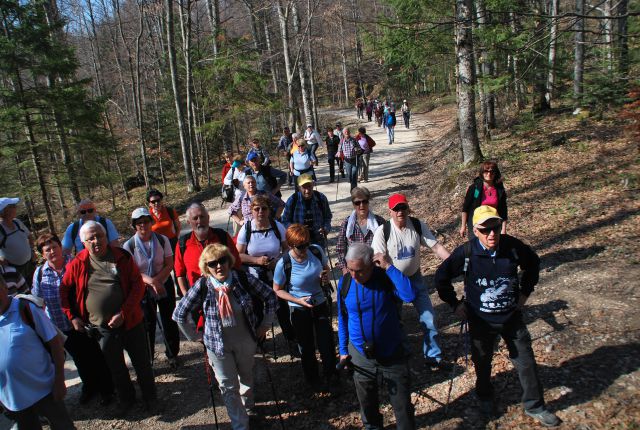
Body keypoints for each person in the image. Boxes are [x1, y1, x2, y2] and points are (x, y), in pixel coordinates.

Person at [435, 206, 561, 427]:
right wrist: (455, 304)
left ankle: (535, 406)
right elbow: (441, 277)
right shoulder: (466, 252)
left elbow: (533, 264)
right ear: (475, 230)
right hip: (480, 320)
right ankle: (485, 397)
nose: (492, 234)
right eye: (485, 229)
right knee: (482, 362)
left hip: (511, 318)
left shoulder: (512, 247)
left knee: (526, 362)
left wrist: (524, 293)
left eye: (495, 228)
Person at [172, 243, 277, 430]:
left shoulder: (242, 278)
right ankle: (240, 424)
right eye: (212, 263)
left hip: (245, 339)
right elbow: (179, 313)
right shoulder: (203, 285)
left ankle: (248, 406)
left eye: (222, 261)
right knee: (228, 386)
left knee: (246, 376)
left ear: (229, 261)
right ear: (206, 267)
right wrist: (195, 336)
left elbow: (270, 296)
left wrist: (265, 325)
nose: (218, 266)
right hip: (216, 345)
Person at [60, 221, 156, 416]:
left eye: (99, 236)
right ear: (83, 242)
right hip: (101, 328)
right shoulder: (78, 263)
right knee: (116, 368)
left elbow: (138, 286)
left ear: (106, 236)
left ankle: (151, 398)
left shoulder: (122, 256)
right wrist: (73, 317)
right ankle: (126, 399)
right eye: (91, 238)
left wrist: (124, 313)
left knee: (142, 364)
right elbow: (63, 290)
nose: (96, 241)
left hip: (131, 322)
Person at [337, 243, 416, 430]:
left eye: (359, 271)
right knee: (367, 405)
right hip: (359, 353)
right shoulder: (346, 282)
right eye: (350, 269)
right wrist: (342, 350)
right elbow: (342, 318)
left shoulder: (385, 278)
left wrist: (388, 266)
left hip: (391, 350)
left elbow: (409, 294)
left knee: (402, 405)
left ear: (372, 264)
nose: (354, 275)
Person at [32, 233, 115, 406]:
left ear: (60, 247)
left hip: (84, 322)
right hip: (61, 326)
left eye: (55, 247)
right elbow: (38, 301)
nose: (53, 251)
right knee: (79, 359)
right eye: (48, 250)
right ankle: (90, 387)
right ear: (42, 254)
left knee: (96, 355)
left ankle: (107, 389)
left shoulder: (75, 263)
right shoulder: (40, 273)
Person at [371, 193, 451, 370]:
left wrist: (453, 263)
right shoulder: (383, 231)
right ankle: (402, 356)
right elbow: (378, 261)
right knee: (395, 321)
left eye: (403, 207)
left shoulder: (416, 225)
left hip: (415, 278)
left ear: (408, 208)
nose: (400, 212)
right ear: (390, 211)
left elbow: (436, 247)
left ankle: (433, 357)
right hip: (392, 281)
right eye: (396, 209)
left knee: (429, 317)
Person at [0, 274, 76, 429]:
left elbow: (55, 344)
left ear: (4, 286)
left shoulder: (25, 308)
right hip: (14, 399)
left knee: (63, 426)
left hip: (45, 390)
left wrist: (59, 380)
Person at [273, 224, 336, 384]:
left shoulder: (315, 250)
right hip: (299, 309)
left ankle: (332, 375)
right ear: (291, 245)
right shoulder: (284, 263)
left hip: (320, 303)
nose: (305, 248)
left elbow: (326, 268)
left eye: (306, 243)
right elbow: (278, 290)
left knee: (326, 342)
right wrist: (296, 300)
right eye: (300, 246)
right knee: (306, 347)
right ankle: (313, 380)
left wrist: (325, 277)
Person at [236, 195, 298, 356]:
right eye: (257, 209)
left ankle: (291, 340)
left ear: (269, 210)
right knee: (256, 309)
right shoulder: (246, 228)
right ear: (251, 211)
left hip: (275, 273)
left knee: (282, 308)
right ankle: (259, 342)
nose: (261, 212)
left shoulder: (277, 227)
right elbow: (238, 255)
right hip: (254, 276)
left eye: (264, 208)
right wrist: (256, 260)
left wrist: (277, 261)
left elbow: (287, 250)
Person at [123, 208, 181, 367]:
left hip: (164, 282)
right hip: (142, 288)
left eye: (146, 221)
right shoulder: (129, 245)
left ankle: (172, 354)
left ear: (151, 222)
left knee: (169, 319)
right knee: (147, 324)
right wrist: (153, 283)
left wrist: (158, 281)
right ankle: (148, 358)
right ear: (134, 225)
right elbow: (133, 272)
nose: (143, 225)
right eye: (139, 222)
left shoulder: (162, 240)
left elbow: (169, 264)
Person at [174, 202, 241, 297]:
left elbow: (236, 264)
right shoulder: (182, 244)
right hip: (197, 298)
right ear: (189, 222)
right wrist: (186, 296)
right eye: (195, 218)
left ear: (208, 218)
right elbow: (180, 274)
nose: (199, 221)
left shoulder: (222, 237)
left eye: (202, 217)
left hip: (226, 294)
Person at [336, 187, 385, 274]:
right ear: (353, 204)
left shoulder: (379, 222)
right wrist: (344, 268)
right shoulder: (347, 224)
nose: (361, 205)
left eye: (364, 201)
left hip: (375, 270)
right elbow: (340, 248)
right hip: (354, 272)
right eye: (357, 202)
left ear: (368, 202)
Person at [281, 174, 332, 248]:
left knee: (319, 259)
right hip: (298, 242)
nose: (307, 190)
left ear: (313, 185)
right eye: (304, 187)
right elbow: (285, 220)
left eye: (309, 186)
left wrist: (326, 228)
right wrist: (295, 232)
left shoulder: (321, 198)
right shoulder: (292, 200)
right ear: (299, 188)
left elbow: (328, 216)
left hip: (318, 240)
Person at [460, 161, 508, 239]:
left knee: (492, 245)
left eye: (492, 171)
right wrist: (463, 226)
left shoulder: (499, 189)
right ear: (482, 173)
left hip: (494, 221)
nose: (489, 174)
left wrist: (503, 229)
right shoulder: (475, 187)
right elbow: (465, 208)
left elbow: (503, 210)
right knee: (476, 245)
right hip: (476, 221)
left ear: (495, 173)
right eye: (486, 171)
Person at [0, 197, 36, 287]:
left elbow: (29, 236)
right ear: (5, 211)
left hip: (30, 264)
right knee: (23, 291)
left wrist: (32, 251)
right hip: (14, 269)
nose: (16, 208)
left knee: (35, 286)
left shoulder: (17, 222)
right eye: (13, 206)